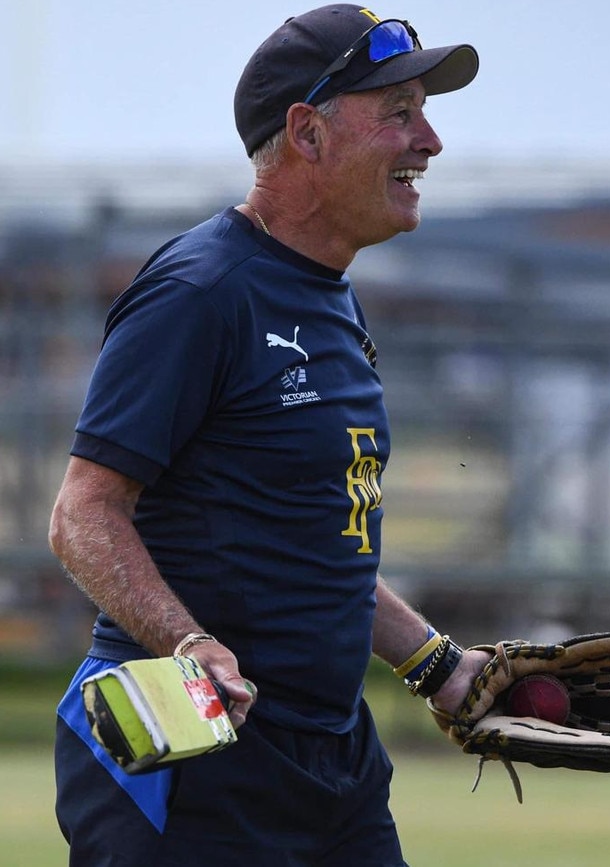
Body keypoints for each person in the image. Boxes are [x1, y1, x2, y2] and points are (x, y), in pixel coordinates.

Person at [49, 5, 488, 865]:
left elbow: (311, 537)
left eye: (423, 112)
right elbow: (82, 513)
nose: (429, 140)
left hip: (333, 763)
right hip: (199, 755)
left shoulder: (333, 296)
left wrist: (437, 663)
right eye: (398, 111)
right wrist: (186, 640)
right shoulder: (200, 291)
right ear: (307, 133)